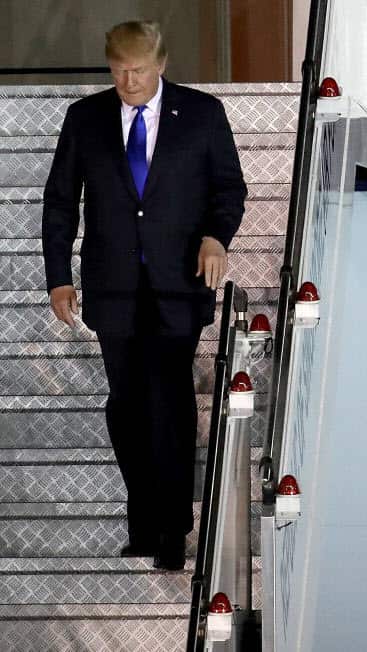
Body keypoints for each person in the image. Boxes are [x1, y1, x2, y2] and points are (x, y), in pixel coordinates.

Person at [42, 21, 246, 571]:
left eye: (137, 70)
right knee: (127, 405)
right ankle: (143, 518)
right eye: (117, 70)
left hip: (179, 284)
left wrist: (214, 237)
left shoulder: (202, 114)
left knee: (172, 400)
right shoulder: (85, 119)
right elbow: (61, 201)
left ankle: (173, 527)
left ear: (161, 65)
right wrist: (59, 275)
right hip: (112, 287)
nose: (127, 81)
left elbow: (229, 188)